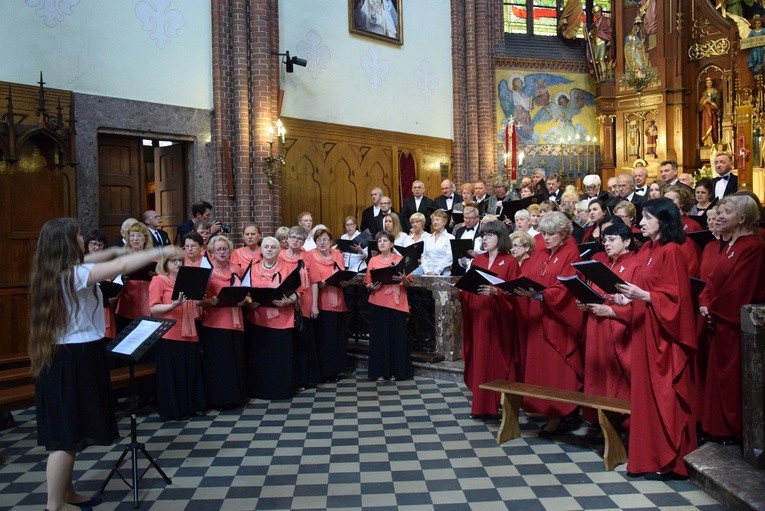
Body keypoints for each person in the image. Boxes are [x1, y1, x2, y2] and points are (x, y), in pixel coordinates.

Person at [29, 217, 175, 511]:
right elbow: (119, 268)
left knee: (71, 430)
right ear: (68, 243)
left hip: (67, 355)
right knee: (66, 437)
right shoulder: (75, 273)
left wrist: (113, 251)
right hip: (75, 357)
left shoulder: (52, 271)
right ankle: (54, 504)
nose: (83, 240)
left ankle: (67, 493)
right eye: (79, 235)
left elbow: (101, 258)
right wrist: (164, 252)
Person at [613, 198, 697, 479]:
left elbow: (677, 299)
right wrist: (627, 297)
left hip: (663, 335)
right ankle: (648, 456)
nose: (641, 223)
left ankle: (671, 459)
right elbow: (646, 287)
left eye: (648, 218)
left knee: (664, 395)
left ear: (665, 220)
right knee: (644, 396)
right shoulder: (649, 248)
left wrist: (644, 296)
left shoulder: (672, 251)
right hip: (645, 327)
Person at [699, 195, 765, 444]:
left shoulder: (753, 246)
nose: (720, 215)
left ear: (742, 217)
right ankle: (718, 427)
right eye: (720, 210)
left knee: (732, 381)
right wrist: (705, 302)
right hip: (719, 320)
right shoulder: (733, 243)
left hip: (733, 324)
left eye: (727, 211)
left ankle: (731, 429)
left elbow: (739, 289)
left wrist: (713, 308)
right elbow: (714, 278)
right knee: (718, 377)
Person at [513, 212, 584, 437]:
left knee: (558, 368)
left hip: (558, 319)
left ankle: (563, 413)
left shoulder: (571, 253)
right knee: (540, 366)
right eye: (543, 233)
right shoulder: (540, 251)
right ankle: (545, 409)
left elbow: (567, 287)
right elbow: (526, 274)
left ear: (563, 234)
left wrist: (543, 295)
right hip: (538, 317)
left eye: (551, 234)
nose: (546, 237)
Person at [577, 223, 638, 426]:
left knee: (617, 379)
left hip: (620, 330)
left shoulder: (635, 264)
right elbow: (597, 292)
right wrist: (585, 301)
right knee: (598, 374)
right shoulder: (602, 263)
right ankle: (599, 421)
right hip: (597, 326)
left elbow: (639, 304)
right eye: (605, 240)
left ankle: (622, 425)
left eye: (612, 239)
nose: (607, 244)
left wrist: (612, 311)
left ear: (627, 241)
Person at [459, 221, 520, 419]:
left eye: (490, 235)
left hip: (499, 318)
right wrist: (463, 290)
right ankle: (480, 405)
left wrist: (497, 292)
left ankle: (499, 405)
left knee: (498, 360)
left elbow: (515, 293)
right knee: (480, 359)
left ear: (500, 238)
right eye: (483, 235)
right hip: (479, 316)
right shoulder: (478, 260)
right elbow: (470, 286)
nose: (485, 239)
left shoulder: (509, 261)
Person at [149, 250, 206, 420]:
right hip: (169, 332)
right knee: (174, 373)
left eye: (180, 260)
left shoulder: (188, 280)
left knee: (190, 370)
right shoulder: (159, 280)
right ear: (165, 263)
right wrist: (172, 305)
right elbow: (153, 308)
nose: (178, 264)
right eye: (174, 261)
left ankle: (191, 406)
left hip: (189, 329)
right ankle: (174, 410)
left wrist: (199, 299)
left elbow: (195, 304)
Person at [247, 236, 301, 400]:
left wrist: (287, 301)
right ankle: (260, 390)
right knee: (262, 356)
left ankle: (281, 390)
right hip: (258, 317)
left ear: (279, 250)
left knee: (280, 356)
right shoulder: (252, 268)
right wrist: (249, 302)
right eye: (266, 247)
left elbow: (299, 292)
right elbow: (246, 291)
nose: (269, 249)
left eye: (273, 247)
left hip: (282, 319)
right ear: (261, 250)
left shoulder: (288, 268)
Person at [199, 235, 249, 410]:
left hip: (236, 318)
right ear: (211, 253)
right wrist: (209, 301)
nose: (222, 252)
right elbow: (199, 299)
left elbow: (246, 290)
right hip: (215, 322)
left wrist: (245, 299)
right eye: (218, 249)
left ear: (230, 251)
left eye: (225, 249)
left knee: (236, 358)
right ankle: (220, 399)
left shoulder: (237, 269)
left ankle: (238, 397)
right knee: (220, 361)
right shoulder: (206, 272)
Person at [364, 231, 413, 381]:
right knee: (380, 338)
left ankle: (397, 372)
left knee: (397, 338)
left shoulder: (400, 260)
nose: (382, 243)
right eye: (379, 241)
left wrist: (403, 279)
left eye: (385, 241)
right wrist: (371, 286)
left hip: (396, 301)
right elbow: (367, 282)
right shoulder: (373, 260)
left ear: (392, 244)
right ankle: (380, 371)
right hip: (378, 300)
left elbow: (409, 282)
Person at [307, 228, 351, 383]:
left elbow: (342, 273)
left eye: (325, 239)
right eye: (318, 240)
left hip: (338, 299)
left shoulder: (337, 255)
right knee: (325, 337)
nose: (322, 242)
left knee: (337, 336)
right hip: (321, 300)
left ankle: (336, 369)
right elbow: (311, 278)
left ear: (331, 241)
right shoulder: (311, 255)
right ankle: (325, 371)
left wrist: (345, 281)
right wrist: (320, 283)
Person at [414, 209, 454, 275]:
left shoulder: (450, 237)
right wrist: (427, 271)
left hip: (443, 271)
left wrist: (436, 272)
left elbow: (449, 257)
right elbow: (424, 256)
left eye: (437, 220)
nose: (434, 222)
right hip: (427, 271)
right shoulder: (428, 238)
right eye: (433, 220)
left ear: (444, 222)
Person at [588, 5, 614, 80]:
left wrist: (609, 40)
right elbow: (590, 34)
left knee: (602, 59)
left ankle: (604, 77)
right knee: (597, 62)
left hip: (603, 43)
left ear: (601, 12)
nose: (597, 14)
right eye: (595, 13)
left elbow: (609, 31)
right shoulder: (594, 24)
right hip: (595, 44)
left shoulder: (607, 20)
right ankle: (599, 77)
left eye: (598, 12)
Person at [699, 77, 721, 148]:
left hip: (712, 112)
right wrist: (705, 101)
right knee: (706, 125)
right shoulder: (704, 93)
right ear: (706, 84)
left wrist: (710, 102)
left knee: (713, 126)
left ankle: (713, 141)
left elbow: (718, 103)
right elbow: (700, 105)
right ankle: (706, 142)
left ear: (712, 83)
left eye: (710, 82)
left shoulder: (715, 91)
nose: (709, 84)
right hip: (706, 113)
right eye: (707, 83)